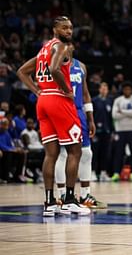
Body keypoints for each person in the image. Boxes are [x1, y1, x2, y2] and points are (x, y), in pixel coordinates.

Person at [16, 16, 90, 216]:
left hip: (43, 101)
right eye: (64, 27)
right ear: (55, 29)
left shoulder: (43, 50)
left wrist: (37, 91)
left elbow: (22, 72)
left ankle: (49, 202)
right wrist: (67, 90)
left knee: (51, 154)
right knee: (75, 151)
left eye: (71, 28)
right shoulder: (62, 47)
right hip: (59, 100)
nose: (69, 31)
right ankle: (69, 200)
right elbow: (54, 69)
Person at [54, 54, 106, 208]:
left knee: (87, 153)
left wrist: (90, 118)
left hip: (78, 112)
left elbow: (85, 94)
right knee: (62, 153)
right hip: (61, 110)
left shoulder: (80, 66)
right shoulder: (52, 66)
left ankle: (84, 195)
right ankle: (62, 195)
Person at [111, 81, 132, 181]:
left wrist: (122, 111)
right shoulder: (118, 100)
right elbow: (114, 115)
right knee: (118, 152)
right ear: (123, 90)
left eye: (129, 89)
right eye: (125, 89)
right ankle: (116, 173)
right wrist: (129, 113)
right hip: (120, 130)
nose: (127, 91)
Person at [92, 82, 113, 181]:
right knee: (95, 152)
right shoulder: (94, 101)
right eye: (102, 87)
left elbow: (112, 118)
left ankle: (103, 172)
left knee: (105, 152)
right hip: (96, 131)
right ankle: (93, 172)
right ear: (99, 89)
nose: (104, 89)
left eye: (106, 87)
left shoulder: (110, 101)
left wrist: (112, 130)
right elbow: (90, 116)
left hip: (107, 130)